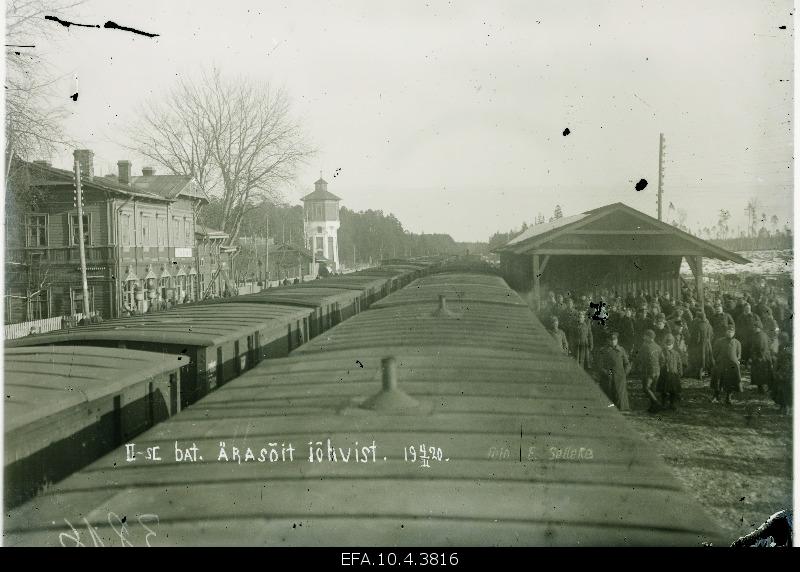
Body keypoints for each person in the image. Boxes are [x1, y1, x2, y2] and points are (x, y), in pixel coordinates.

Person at [596, 332, 631, 411]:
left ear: (617, 340)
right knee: (608, 395)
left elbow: (627, 364)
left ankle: (622, 409)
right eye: (611, 340)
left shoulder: (621, 350)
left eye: (615, 340)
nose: (613, 342)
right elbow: (599, 365)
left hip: (620, 377)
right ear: (607, 340)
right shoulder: (603, 350)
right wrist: (607, 373)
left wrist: (624, 374)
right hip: (608, 377)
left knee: (620, 396)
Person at [712, 325, 742, 405]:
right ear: (726, 332)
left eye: (731, 332)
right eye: (728, 331)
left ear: (734, 333)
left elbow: (739, 354)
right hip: (721, 364)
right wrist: (717, 360)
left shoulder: (737, 342)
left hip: (731, 366)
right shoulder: (719, 341)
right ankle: (716, 395)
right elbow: (714, 352)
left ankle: (728, 397)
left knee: (730, 381)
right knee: (718, 380)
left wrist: (737, 360)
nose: (730, 333)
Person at [636, 329, 663, 413]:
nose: (644, 337)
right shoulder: (658, 347)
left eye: (645, 336)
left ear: (649, 337)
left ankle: (656, 403)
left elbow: (639, 358)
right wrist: (658, 367)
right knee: (653, 389)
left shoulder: (645, 347)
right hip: (657, 371)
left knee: (646, 388)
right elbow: (662, 360)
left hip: (648, 371)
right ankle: (653, 408)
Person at [657, 333, 683, 411]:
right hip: (664, 375)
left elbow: (679, 363)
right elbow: (660, 362)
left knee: (673, 391)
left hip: (674, 375)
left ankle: (672, 404)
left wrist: (680, 371)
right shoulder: (662, 353)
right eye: (667, 344)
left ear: (673, 344)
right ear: (664, 344)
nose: (668, 346)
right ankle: (663, 404)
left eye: (670, 344)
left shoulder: (676, 353)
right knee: (664, 391)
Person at [687, 311, 715, 379]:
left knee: (701, 359)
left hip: (700, 345)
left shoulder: (698, 325)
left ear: (699, 318)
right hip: (708, 344)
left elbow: (697, 338)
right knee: (709, 358)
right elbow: (712, 335)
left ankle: (699, 374)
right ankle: (711, 373)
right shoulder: (709, 325)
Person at [749, 322, 773, 394]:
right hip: (765, 356)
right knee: (765, 373)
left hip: (761, 357)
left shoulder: (760, 336)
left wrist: (757, 357)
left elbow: (760, 347)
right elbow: (770, 342)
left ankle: (762, 389)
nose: (753, 328)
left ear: (758, 327)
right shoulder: (763, 334)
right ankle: (765, 388)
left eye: (755, 327)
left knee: (760, 373)